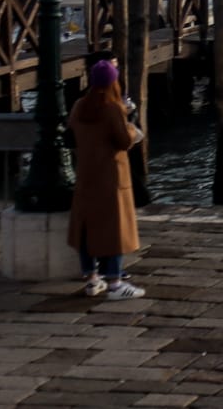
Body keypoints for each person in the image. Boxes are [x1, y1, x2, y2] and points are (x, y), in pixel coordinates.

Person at [68, 59, 143, 299]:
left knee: (87, 229)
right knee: (114, 230)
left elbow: (72, 133)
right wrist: (131, 125)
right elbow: (123, 140)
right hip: (111, 177)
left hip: (86, 174)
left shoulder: (79, 106)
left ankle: (91, 278)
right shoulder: (112, 108)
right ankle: (115, 283)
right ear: (113, 81)